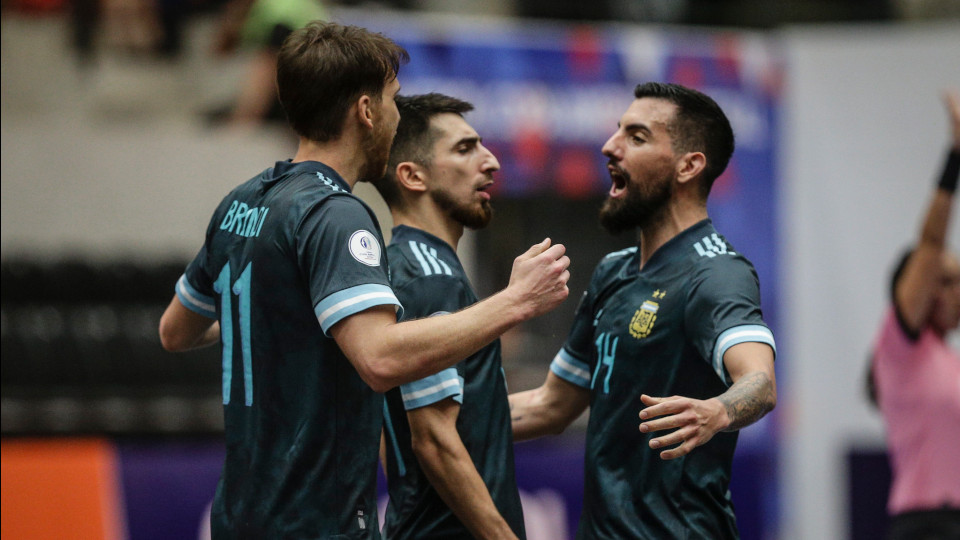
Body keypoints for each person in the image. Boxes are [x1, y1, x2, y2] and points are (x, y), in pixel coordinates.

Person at [157, 22, 571, 539]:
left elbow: (175, 331)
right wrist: (515, 302)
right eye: (394, 99)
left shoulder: (243, 201)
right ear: (366, 110)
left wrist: (275, 314)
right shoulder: (336, 214)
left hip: (238, 517)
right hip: (313, 522)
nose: (399, 117)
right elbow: (380, 360)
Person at [508, 82, 777, 539]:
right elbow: (551, 405)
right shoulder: (614, 271)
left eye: (636, 137)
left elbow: (760, 382)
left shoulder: (715, 274)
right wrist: (435, 421)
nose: (609, 147)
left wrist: (717, 412)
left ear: (689, 166)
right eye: (617, 132)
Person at [371, 93, 524, 540]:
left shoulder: (401, 263)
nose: (491, 162)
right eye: (465, 148)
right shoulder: (429, 276)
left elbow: (396, 428)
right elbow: (434, 440)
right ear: (413, 176)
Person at [868, 90, 960, 540]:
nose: (958, 290)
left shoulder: (948, 360)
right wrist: (954, 160)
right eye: (946, 281)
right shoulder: (902, 346)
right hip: (927, 526)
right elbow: (930, 246)